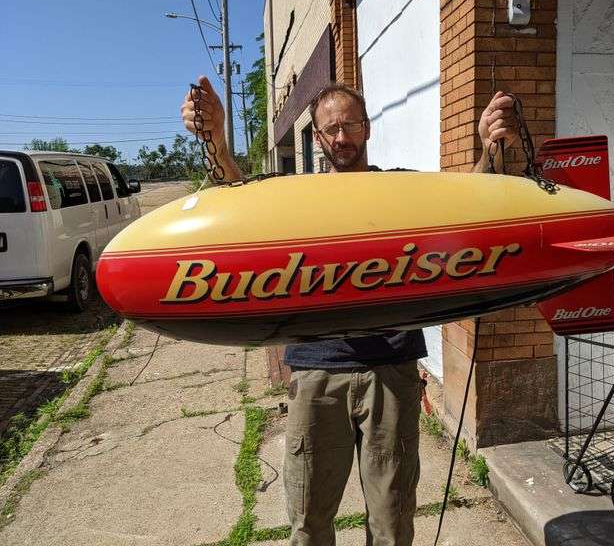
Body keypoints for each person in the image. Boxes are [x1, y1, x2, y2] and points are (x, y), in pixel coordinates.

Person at [181, 76, 520, 546]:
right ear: (317, 137)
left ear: (367, 129)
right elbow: (237, 205)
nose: (341, 138)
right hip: (317, 374)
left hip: (391, 370)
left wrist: (488, 146)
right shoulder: (297, 198)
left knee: (393, 520)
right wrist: (216, 138)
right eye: (330, 129)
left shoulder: (401, 192)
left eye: (351, 126)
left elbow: (468, 205)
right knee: (308, 520)